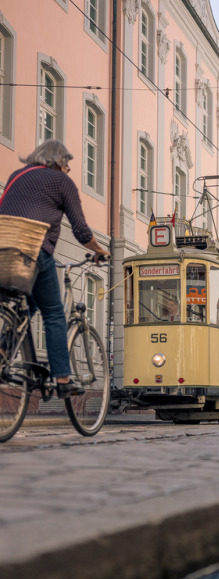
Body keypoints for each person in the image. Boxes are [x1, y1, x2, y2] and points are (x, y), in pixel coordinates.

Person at [0, 139, 108, 398]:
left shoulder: (17, 175)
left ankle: (4, 352)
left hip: (3, 247)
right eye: (67, 165)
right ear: (60, 162)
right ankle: (62, 377)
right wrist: (99, 251)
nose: (67, 170)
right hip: (33, 249)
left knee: (29, 304)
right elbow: (81, 231)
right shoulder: (61, 182)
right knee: (54, 314)